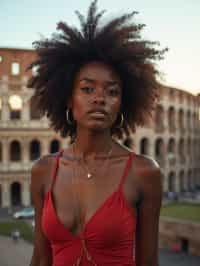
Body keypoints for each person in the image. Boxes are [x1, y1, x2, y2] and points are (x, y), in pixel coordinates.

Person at [29, 1, 166, 265]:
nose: (100, 98)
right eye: (87, 89)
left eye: (112, 91)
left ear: (123, 103)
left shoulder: (145, 173)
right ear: (68, 98)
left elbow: (148, 261)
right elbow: (40, 258)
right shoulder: (43, 171)